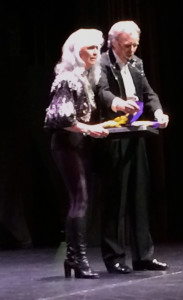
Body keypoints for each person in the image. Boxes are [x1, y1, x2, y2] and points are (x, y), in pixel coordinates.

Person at [96, 20, 169, 274]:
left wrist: (158, 111)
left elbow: (148, 92)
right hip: (113, 136)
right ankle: (114, 256)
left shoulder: (137, 63)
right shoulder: (102, 63)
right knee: (115, 198)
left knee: (140, 196)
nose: (132, 50)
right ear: (114, 42)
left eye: (135, 45)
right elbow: (102, 91)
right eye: (127, 45)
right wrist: (118, 103)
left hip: (136, 135)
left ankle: (143, 256)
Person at [44, 28, 109, 279]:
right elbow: (60, 117)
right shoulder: (68, 78)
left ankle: (74, 258)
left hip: (77, 142)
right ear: (76, 51)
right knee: (79, 200)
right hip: (66, 142)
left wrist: (96, 126)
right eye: (90, 48)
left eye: (97, 48)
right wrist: (89, 129)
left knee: (80, 200)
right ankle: (78, 259)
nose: (95, 52)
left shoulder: (84, 78)